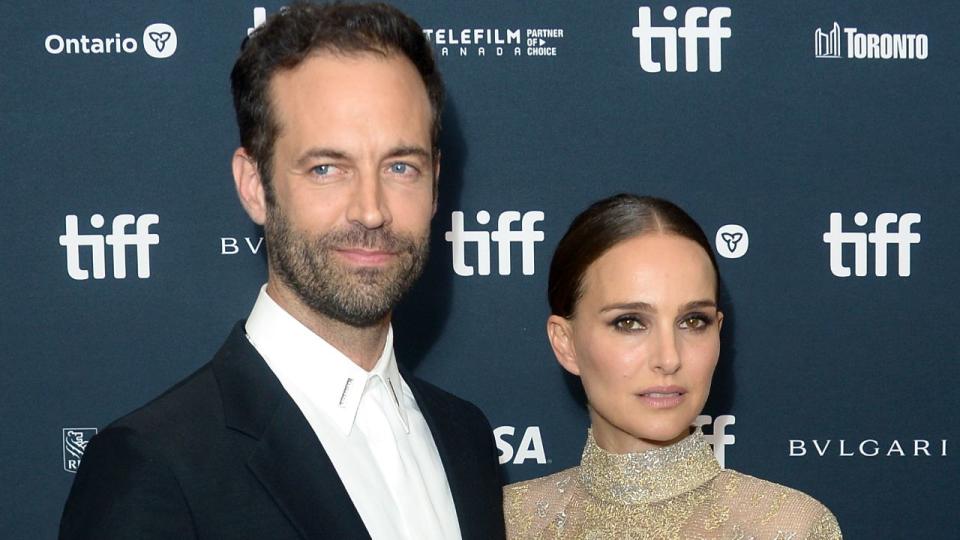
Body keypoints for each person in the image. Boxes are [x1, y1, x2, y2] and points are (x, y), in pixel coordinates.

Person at [59, 3, 505, 539]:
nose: (371, 209)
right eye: (326, 168)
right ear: (254, 186)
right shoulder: (156, 466)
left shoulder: (466, 438)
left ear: (435, 182)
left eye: (400, 167)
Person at [504, 194, 841, 539]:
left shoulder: (789, 527)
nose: (669, 358)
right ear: (566, 343)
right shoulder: (504, 522)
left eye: (694, 321)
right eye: (630, 322)